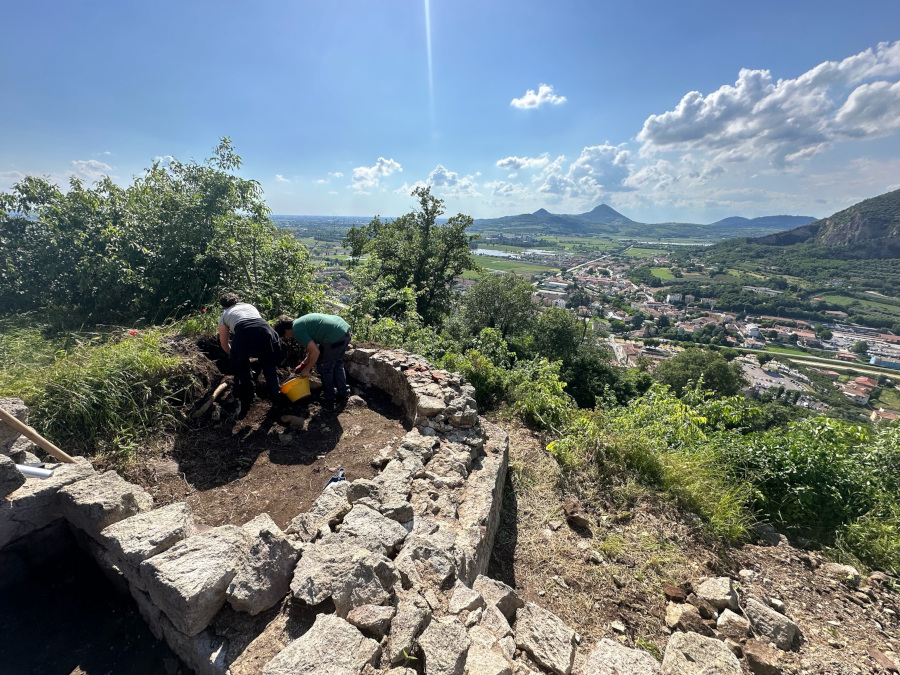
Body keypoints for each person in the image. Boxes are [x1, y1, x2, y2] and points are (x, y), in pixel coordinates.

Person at [218, 293, 283, 414]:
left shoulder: (225, 315)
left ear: (223, 306)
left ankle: (249, 394)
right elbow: (255, 327)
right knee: (268, 365)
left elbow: (224, 344)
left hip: (243, 332)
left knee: (242, 365)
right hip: (265, 330)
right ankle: (277, 396)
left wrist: (234, 355)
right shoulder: (249, 306)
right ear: (238, 301)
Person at [274, 313, 351, 409]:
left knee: (325, 367)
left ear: (286, 330)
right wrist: (304, 363)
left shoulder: (297, 331)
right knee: (337, 364)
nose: (286, 338)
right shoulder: (300, 323)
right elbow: (313, 348)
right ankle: (343, 392)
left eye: (284, 335)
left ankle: (329, 399)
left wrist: (307, 369)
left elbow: (315, 352)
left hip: (335, 337)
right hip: (343, 331)